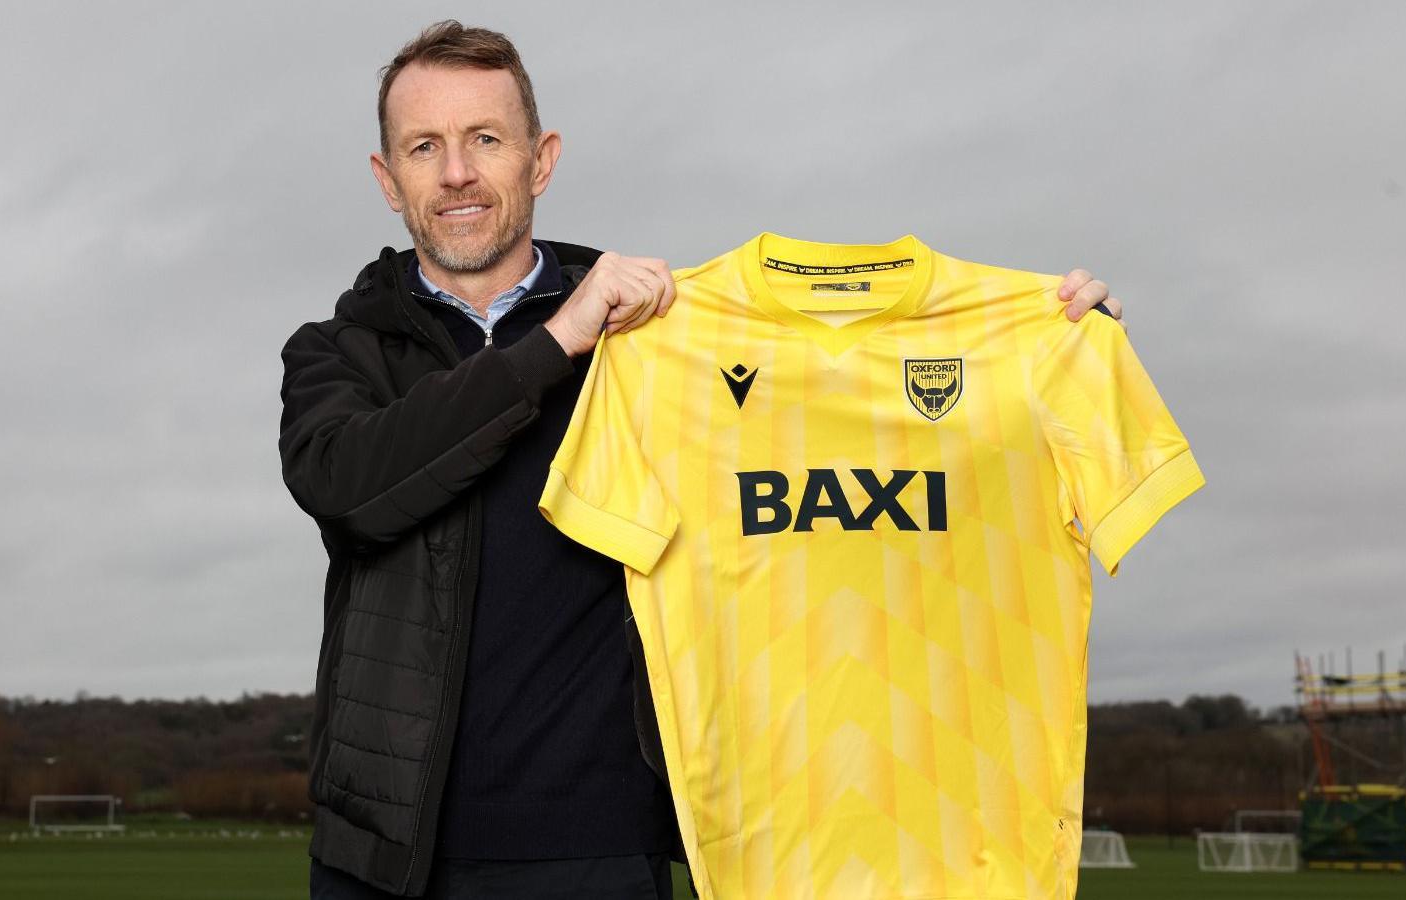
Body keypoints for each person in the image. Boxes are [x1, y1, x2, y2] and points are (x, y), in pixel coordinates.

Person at [278, 20, 1122, 900]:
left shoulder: (652, 337)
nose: (457, 172)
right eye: (425, 146)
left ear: (541, 160)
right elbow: (349, 486)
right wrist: (558, 341)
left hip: (602, 848)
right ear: (387, 178)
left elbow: (847, 408)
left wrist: (1047, 354)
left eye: (485, 139)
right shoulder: (337, 352)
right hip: (384, 857)